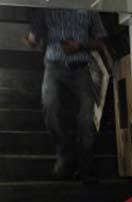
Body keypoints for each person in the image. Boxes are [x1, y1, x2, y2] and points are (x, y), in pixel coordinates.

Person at [23, 9, 107, 183]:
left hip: (80, 68)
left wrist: (79, 45)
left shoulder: (89, 7)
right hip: (53, 66)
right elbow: (33, 38)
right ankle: (64, 155)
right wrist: (31, 40)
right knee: (50, 107)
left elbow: (101, 41)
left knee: (86, 117)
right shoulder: (47, 6)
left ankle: (86, 166)